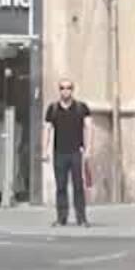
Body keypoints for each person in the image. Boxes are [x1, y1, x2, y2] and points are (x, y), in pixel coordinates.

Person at [46, 78, 92, 228]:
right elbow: (47, 129)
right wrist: (45, 150)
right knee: (60, 186)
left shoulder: (81, 108)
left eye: (68, 88)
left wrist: (88, 149)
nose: (65, 91)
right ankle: (61, 218)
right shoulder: (53, 109)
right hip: (59, 152)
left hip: (76, 152)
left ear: (72, 90)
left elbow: (88, 128)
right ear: (59, 90)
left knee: (78, 185)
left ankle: (81, 218)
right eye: (62, 88)